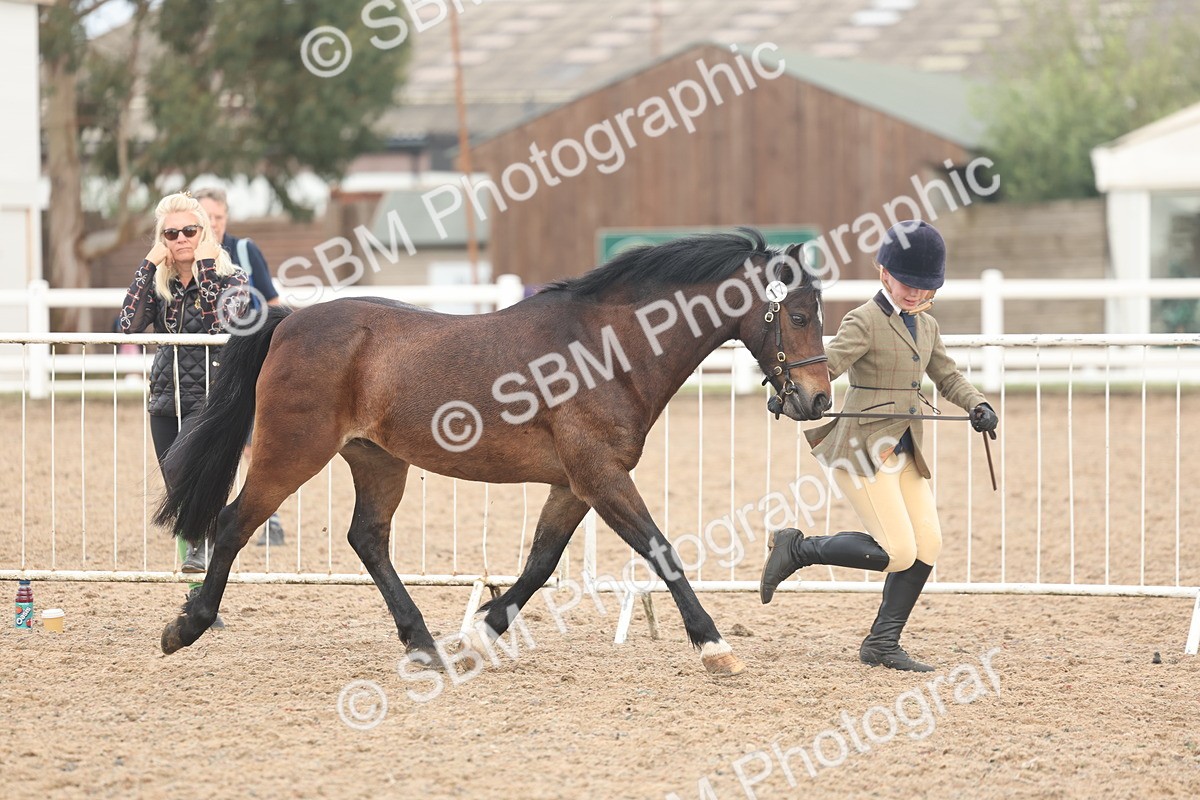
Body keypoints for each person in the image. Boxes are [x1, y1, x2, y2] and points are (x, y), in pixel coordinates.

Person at [759, 220, 999, 672]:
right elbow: (827, 365)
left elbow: (947, 376)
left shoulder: (926, 326)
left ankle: (882, 644)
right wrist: (788, 392)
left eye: (924, 287)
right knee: (898, 551)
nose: (914, 294)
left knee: (928, 544)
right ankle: (797, 549)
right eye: (907, 283)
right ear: (884, 272)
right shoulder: (865, 320)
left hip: (907, 450)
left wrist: (978, 404)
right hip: (864, 450)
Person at [120, 191, 249, 629]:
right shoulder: (161, 286)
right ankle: (200, 601)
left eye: (189, 230)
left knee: (186, 475)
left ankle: (199, 545)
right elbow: (128, 327)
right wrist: (148, 264)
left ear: (206, 234)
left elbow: (229, 320)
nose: (180, 239)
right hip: (165, 399)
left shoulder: (232, 278)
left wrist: (207, 264)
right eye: (170, 233)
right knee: (183, 492)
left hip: (213, 400)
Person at [194, 187, 286, 547]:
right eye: (206, 218)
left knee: (254, 444)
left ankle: (269, 518)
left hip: (246, 364)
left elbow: (274, 303)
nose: (213, 224)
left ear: (226, 218)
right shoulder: (187, 257)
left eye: (218, 217)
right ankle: (206, 518)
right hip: (201, 366)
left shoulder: (246, 252)